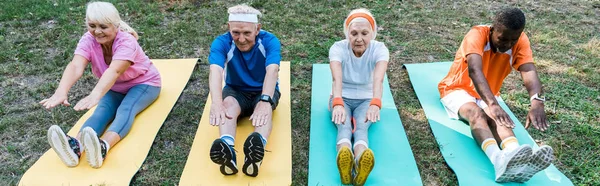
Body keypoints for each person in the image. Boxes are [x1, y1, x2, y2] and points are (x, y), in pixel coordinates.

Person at [437, 7, 554, 182]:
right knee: (477, 113)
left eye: (513, 40)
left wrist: (537, 102)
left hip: (489, 92)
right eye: (502, 39)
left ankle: (516, 156)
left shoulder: (519, 40)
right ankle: (498, 160)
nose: (507, 44)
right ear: (493, 29)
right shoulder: (476, 35)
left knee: (499, 118)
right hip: (456, 89)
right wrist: (492, 104)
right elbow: (475, 71)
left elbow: (528, 69)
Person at [40, 1, 161, 169]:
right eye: (92, 25)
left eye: (103, 26)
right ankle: (77, 147)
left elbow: (115, 71)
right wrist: (61, 92)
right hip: (114, 87)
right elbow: (75, 66)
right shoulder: (88, 39)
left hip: (144, 83)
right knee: (101, 112)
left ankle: (103, 146)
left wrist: (95, 94)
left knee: (126, 109)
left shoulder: (126, 42)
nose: (97, 31)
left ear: (115, 25)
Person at [207, 4, 281, 177]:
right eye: (236, 33)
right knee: (228, 105)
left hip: (263, 90)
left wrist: (264, 101)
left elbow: (273, 70)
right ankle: (228, 151)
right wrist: (217, 103)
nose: (241, 39)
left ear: (257, 29)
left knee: (265, 111)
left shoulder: (270, 41)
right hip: (236, 90)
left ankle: (255, 154)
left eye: (247, 33)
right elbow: (215, 71)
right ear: (229, 28)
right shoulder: (221, 42)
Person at [329, 8, 389, 186]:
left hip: (367, 99)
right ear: (347, 33)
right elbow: (336, 77)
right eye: (353, 33)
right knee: (344, 127)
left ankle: (360, 160)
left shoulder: (380, 49)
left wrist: (375, 103)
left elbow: (378, 79)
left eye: (364, 33)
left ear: (373, 33)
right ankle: (346, 161)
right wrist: (338, 102)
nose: (359, 39)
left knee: (361, 128)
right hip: (342, 97)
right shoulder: (338, 48)